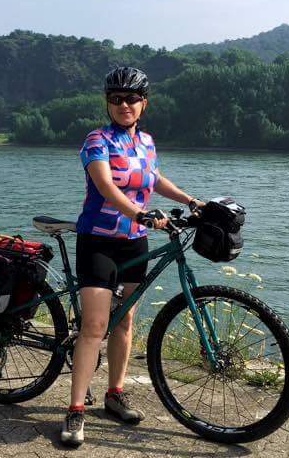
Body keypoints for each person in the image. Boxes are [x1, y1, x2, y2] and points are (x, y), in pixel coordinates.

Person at [61, 66, 204, 447]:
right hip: (99, 241)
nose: (124, 105)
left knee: (124, 324)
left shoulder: (147, 142)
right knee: (94, 327)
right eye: (116, 99)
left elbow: (154, 180)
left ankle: (114, 394)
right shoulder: (97, 140)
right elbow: (105, 186)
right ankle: (75, 410)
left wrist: (191, 200)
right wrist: (138, 213)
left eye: (131, 98)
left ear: (144, 103)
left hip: (135, 240)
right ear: (108, 103)